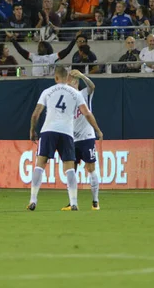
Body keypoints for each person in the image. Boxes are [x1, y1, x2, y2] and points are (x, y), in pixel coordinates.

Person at [27, 66, 103, 211]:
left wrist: (32, 130)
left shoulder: (48, 91)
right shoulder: (75, 94)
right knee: (70, 169)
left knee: (40, 164)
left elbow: (36, 114)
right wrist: (98, 129)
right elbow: (87, 113)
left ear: (56, 77)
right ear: (67, 78)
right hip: (68, 134)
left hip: (51, 131)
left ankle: (33, 200)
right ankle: (74, 202)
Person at [66, 69, 100, 210]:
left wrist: (82, 76)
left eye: (71, 81)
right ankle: (73, 202)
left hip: (87, 137)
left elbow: (92, 87)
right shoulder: (66, 100)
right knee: (71, 170)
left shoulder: (83, 94)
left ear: (75, 83)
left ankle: (95, 202)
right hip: (72, 139)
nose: (68, 84)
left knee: (90, 168)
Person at [8, 32, 77, 76]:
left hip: (46, 80)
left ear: (47, 48)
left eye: (41, 47)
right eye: (38, 47)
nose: (39, 48)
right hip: (35, 81)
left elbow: (66, 51)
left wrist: (74, 40)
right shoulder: (33, 56)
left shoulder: (52, 57)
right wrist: (13, 40)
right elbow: (20, 50)